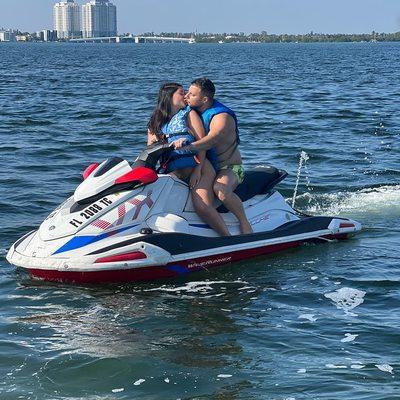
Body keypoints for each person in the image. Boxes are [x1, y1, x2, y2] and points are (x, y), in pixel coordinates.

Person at [174, 78, 253, 235]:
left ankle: (245, 224)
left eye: (192, 94)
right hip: (208, 167)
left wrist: (189, 146)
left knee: (220, 189)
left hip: (229, 168)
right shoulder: (192, 111)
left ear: (204, 99)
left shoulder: (221, 117)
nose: (187, 96)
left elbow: (212, 139)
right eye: (187, 92)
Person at [147, 82, 207, 189]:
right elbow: (149, 151)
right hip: (169, 170)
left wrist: (198, 170)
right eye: (181, 93)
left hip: (189, 168)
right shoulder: (155, 122)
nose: (185, 96)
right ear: (169, 97)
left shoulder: (188, 114)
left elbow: (203, 143)